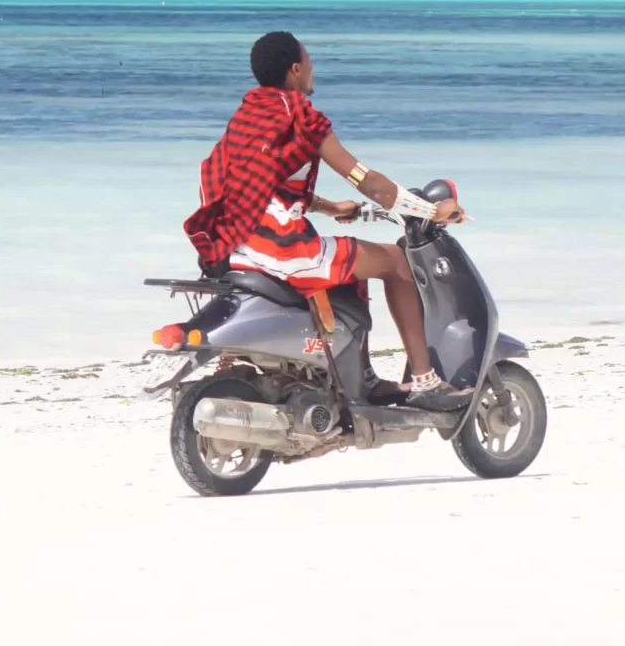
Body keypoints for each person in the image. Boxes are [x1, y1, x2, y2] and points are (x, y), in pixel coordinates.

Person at [184, 31, 471, 410]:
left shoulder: (248, 116)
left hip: (235, 245)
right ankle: (425, 380)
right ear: (295, 69)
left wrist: (328, 208)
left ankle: (363, 377)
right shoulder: (303, 120)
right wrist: (430, 211)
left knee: (351, 267)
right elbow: (366, 181)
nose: (313, 69)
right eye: (310, 61)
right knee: (395, 262)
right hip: (281, 247)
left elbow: (262, 185)